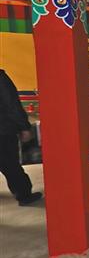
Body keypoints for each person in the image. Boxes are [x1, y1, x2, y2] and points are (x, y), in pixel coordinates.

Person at [0, 70, 42, 206]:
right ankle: (23, 195)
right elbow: (12, 104)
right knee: (10, 165)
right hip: (3, 131)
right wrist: (24, 127)